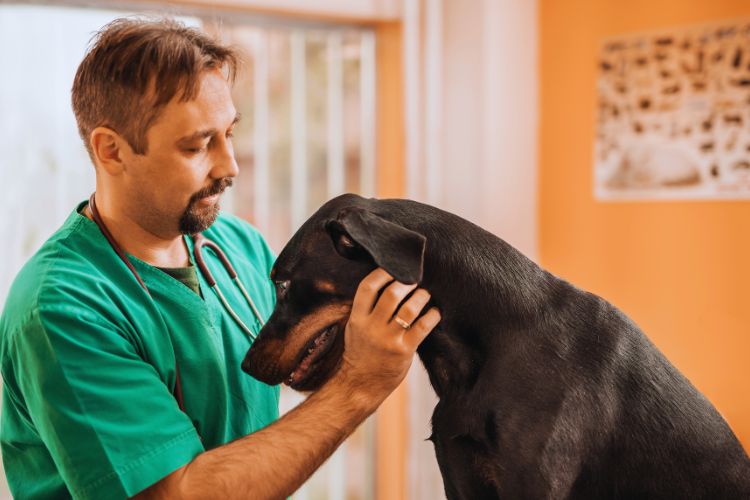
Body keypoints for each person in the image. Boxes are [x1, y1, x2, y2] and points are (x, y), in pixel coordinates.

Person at [0, 17, 441, 499]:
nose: (229, 165)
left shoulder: (236, 245)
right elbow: (176, 494)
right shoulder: (62, 310)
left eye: (229, 133)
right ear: (111, 151)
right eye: (197, 145)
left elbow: (295, 368)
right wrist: (360, 385)